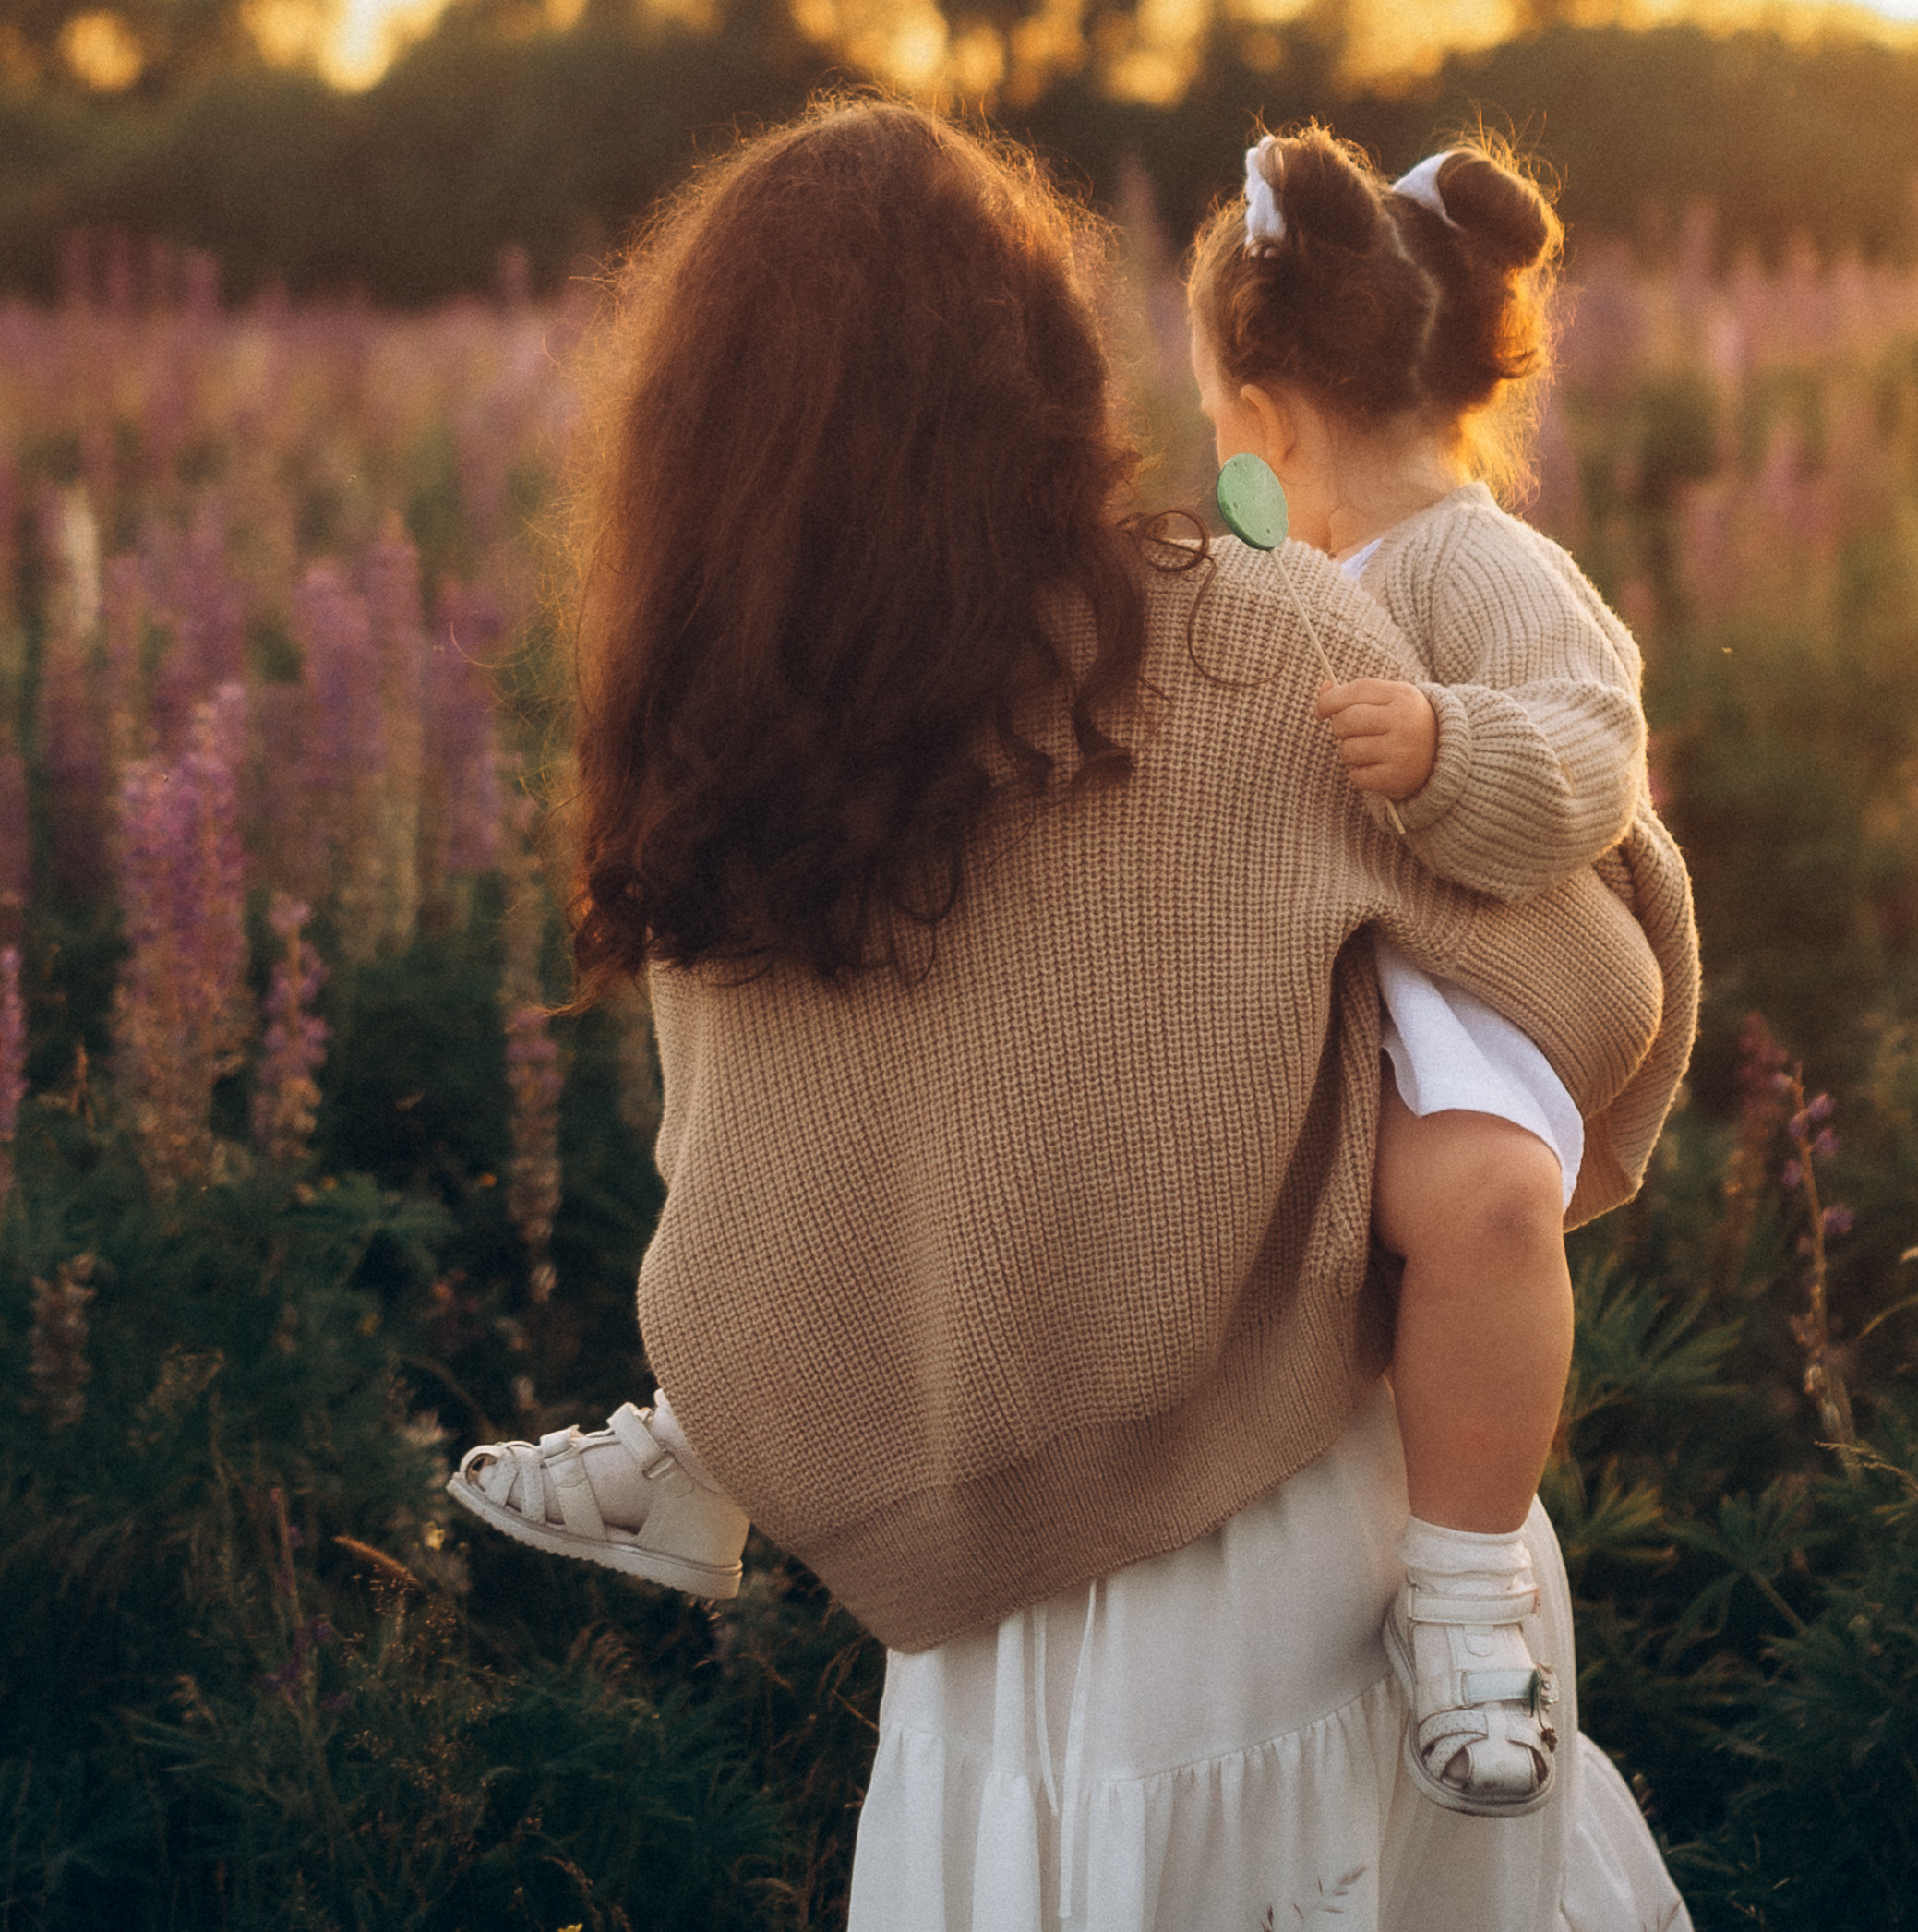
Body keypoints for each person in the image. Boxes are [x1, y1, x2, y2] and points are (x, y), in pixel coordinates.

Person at [450, 100, 1696, 1929]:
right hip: (1287, 1562)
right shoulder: (1241, 632)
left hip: (991, 1647)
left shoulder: (726, 735)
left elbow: (765, 1200)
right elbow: (1572, 972)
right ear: (1038, 362)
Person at [1187, 124, 1689, 1815]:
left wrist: (1442, 745)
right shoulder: (1265, 566)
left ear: (1265, 423)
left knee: (1481, 1204)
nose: (1213, 462)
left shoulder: (1482, 564)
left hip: (1455, 1000)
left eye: (1216, 431)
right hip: (1296, 982)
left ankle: (1467, 1598)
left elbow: (1592, 745)